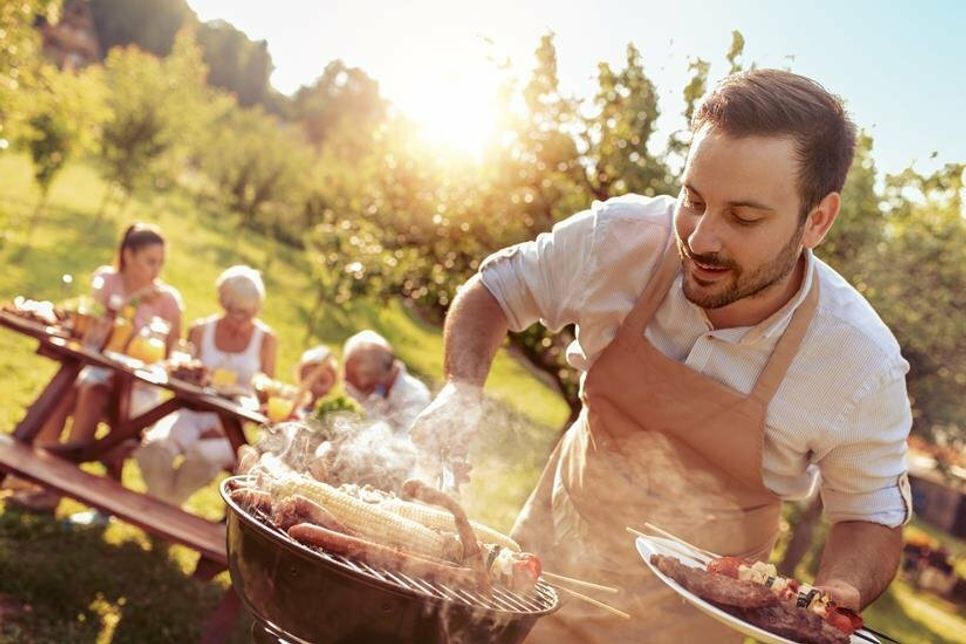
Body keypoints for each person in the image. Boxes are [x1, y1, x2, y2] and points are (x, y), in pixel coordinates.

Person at [410, 69, 912, 642]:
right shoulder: (619, 238)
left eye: (744, 218)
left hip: (691, 627)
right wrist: (461, 389)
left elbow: (868, 514)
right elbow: (495, 292)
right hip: (538, 569)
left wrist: (835, 599)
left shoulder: (858, 365)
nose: (700, 238)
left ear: (816, 220)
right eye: (693, 200)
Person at [9, 223, 183, 513]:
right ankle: (33, 475)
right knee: (66, 392)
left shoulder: (168, 301)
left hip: (139, 388)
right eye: (150, 261)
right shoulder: (107, 280)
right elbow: (95, 329)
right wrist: (133, 301)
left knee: (89, 389)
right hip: (97, 371)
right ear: (128, 255)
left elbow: (174, 357)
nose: (157, 270)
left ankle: (52, 488)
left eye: (160, 262)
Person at [135, 265, 277, 507]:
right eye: (233, 311)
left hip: (232, 424)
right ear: (222, 302)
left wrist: (228, 425)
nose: (240, 319)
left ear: (256, 309)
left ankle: (162, 507)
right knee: (156, 448)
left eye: (247, 313)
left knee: (202, 456)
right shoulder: (201, 330)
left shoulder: (265, 339)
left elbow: (265, 393)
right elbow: (182, 376)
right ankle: (169, 507)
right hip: (189, 412)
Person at [342, 330, 430, 434]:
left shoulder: (415, 396)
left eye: (355, 376)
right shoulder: (369, 389)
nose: (357, 385)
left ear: (376, 374)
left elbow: (407, 440)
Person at [293, 344, 339, 418]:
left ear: (332, 383)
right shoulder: (293, 406)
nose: (315, 386)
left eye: (323, 381)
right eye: (309, 380)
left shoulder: (332, 412)